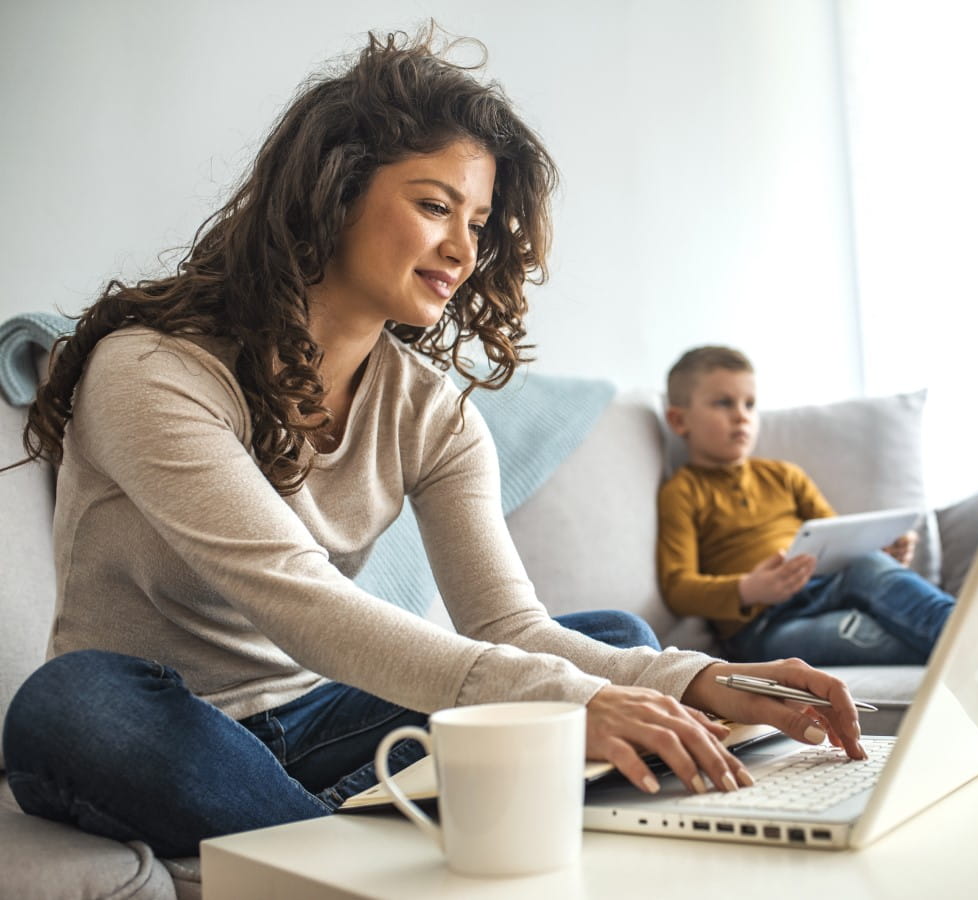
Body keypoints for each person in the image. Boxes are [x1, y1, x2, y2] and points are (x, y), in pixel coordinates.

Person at [0, 29, 865, 859]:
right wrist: (572, 702)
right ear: (333, 193)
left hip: (317, 722)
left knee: (613, 637)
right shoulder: (152, 371)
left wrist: (699, 678)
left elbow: (508, 625)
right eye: (434, 206)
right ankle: (356, 845)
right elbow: (299, 601)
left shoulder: (431, 412)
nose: (462, 248)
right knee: (72, 705)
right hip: (159, 720)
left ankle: (336, 835)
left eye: (478, 222)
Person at [656, 345, 978, 666]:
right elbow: (677, 586)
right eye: (723, 403)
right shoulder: (683, 491)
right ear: (679, 420)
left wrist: (879, 549)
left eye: (750, 404)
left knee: (869, 564)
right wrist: (748, 590)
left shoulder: (782, 475)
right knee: (869, 634)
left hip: (830, 585)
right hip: (764, 629)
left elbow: (838, 540)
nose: (741, 415)